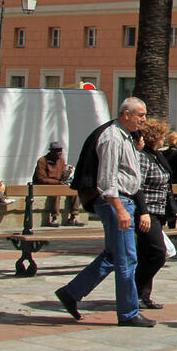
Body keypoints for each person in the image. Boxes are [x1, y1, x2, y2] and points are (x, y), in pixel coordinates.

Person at [55, 97, 154, 327]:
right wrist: (120, 209)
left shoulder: (125, 136)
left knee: (113, 255)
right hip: (117, 202)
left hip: (123, 201)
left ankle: (71, 293)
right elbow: (107, 180)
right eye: (140, 115)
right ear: (126, 114)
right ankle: (128, 313)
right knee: (127, 258)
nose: (144, 120)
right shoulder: (112, 138)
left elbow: (126, 171)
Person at [133, 119, 172, 310]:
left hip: (158, 211)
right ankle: (135, 290)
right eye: (162, 136)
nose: (164, 139)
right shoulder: (143, 157)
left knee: (146, 253)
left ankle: (143, 295)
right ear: (155, 137)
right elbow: (137, 186)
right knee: (158, 252)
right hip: (147, 212)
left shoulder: (157, 156)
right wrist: (143, 212)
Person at [34, 141, 78, 227]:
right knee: (56, 192)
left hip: (59, 183)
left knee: (74, 190)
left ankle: (73, 217)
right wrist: (57, 182)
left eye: (60, 150)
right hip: (45, 185)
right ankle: (54, 218)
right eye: (57, 151)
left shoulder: (61, 160)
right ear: (51, 151)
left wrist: (68, 174)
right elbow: (41, 179)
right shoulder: (42, 161)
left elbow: (62, 174)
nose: (59, 153)